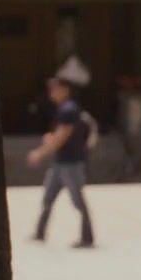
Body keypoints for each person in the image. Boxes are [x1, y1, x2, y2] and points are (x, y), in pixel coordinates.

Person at [26, 56, 96, 249]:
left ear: (65, 90)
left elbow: (62, 136)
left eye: (55, 88)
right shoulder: (63, 109)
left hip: (71, 164)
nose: (51, 91)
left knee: (78, 200)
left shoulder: (68, 109)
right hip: (60, 163)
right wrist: (51, 139)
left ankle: (87, 237)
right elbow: (60, 134)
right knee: (48, 197)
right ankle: (40, 232)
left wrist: (39, 153)